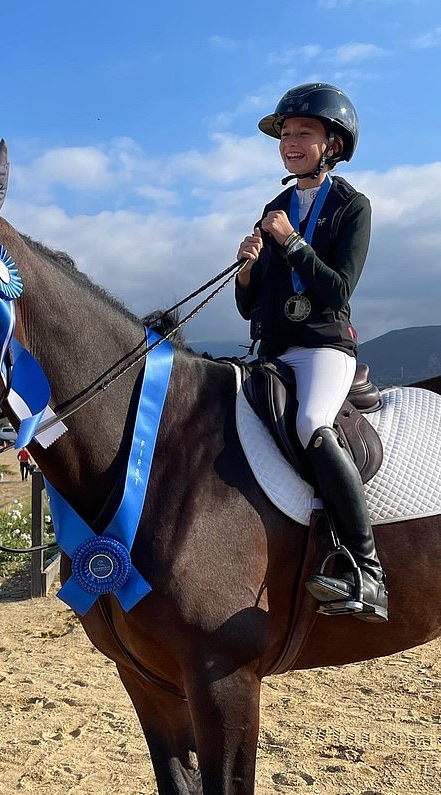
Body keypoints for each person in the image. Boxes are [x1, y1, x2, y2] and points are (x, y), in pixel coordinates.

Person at [235, 83, 387, 622]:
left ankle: (368, 572)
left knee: (309, 423)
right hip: (273, 348)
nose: (290, 142)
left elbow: (339, 290)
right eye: (285, 134)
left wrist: (292, 243)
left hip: (323, 346)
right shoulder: (274, 207)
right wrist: (249, 269)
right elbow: (250, 304)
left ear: (333, 145)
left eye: (303, 133)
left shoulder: (352, 207)